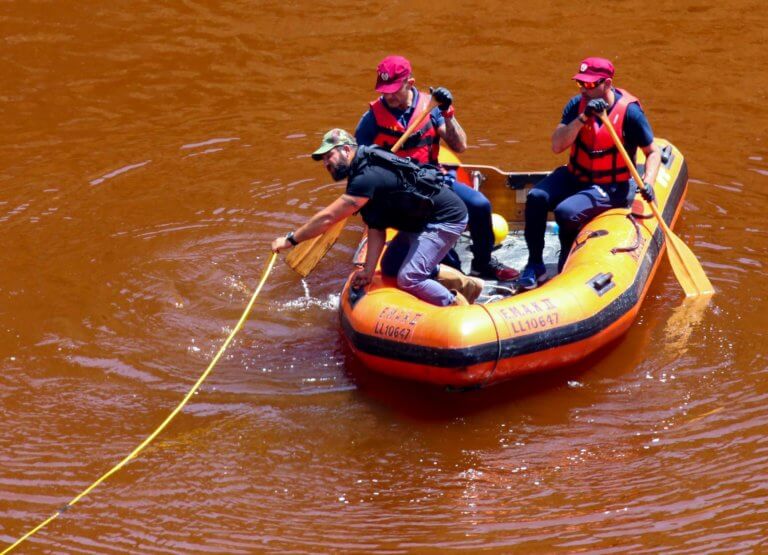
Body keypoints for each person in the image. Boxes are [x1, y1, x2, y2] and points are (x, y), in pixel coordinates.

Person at [271, 129, 484, 306]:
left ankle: (456, 307)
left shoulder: (366, 177)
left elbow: (328, 218)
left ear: (346, 150)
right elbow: (376, 227)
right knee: (390, 268)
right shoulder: (360, 174)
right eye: (324, 160)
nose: (326, 163)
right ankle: (468, 285)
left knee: (409, 278)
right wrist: (369, 270)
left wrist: (291, 240)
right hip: (417, 221)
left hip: (444, 218)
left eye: (329, 156)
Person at [354, 54, 519, 282]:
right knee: (423, 248)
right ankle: (454, 273)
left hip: (432, 181)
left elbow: (460, 145)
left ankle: (483, 263)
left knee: (480, 205)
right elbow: (358, 165)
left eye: (394, 89)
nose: (388, 95)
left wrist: (447, 113)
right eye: (384, 90)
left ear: (409, 83)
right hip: (399, 193)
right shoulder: (371, 120)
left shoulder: (429, 108)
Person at [518, 56, 661, 290]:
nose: (585, 89)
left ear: (607, 83)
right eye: (581, 83)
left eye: (591, 84)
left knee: (566, 212)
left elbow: (652, 152)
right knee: (536, 197)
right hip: (576, 175)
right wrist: (582, 118)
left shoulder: (631, 113)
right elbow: (557, 146)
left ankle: (566, 265)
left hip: (612, 186)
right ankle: (535, 264)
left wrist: (649, 182)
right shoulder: (577, 105)